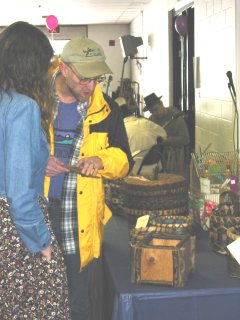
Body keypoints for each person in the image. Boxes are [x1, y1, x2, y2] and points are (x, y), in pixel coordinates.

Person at [44, 37, 133, 320]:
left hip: (79, 216)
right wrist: (36, 163)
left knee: (78, 300)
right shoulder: (34, 99)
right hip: (35, 211)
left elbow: (125, 160)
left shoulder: (107, 108)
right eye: (84, 78)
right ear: (64, 68)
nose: (91, 86)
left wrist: (102, 160)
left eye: (96, 79)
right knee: (39, 294)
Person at [0, 21, 70, 319]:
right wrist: (41, 242)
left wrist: (41, 164)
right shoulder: (22, 106)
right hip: (17, 226)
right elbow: (18, 193)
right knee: (43, 306)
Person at [115, 96, 167, 176]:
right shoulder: (147, 123)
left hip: (132, 173)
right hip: (154, 169)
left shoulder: (120, 131)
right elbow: (164, 135)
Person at [144, 93, 190, 178]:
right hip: (157, 161)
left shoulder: (176, 118)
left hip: (175, 159)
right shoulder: (151, 120)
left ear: (161, 104)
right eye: (152, 111)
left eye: (155, 109)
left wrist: (167, 141)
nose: (154, 113)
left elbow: (185, 139)